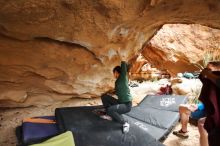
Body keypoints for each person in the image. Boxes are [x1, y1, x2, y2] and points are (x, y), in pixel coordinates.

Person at [173, 62, 220, 139]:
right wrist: (198, 106)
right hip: (207, 108)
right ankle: (183, 132)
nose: (205, 72)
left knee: (201, 123)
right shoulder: (210, 82)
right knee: (182, 107)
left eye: (209, 69)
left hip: (213, 113)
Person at [100, 61, 133, 133]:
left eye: (114, 72)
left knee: (111, 109)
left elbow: (124, 66)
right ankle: (109, 115)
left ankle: (125, 123)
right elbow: (117, 91)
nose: (113, 74)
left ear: (117, 72)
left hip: (127, 105)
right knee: (104, 97)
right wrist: (108, 93)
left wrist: (123, 61)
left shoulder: (123, 77)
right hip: (120, 102)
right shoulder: (117, 82)